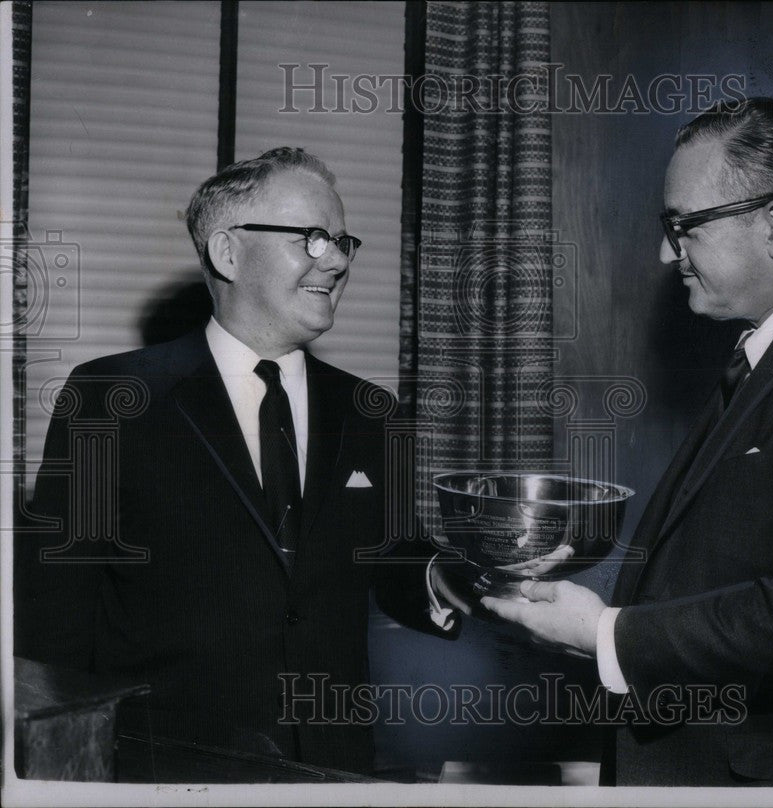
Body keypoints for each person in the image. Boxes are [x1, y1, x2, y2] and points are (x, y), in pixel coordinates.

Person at [481, 99, 773, 786]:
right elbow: (734, 565)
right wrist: (588, 593)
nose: (664, 253)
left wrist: (603, 633)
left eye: (684, 228)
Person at [15, 147, 453, 776]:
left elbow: (391, 556)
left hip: (332, 771)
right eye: (312, 237)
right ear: (227, 253)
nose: (336, 260)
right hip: (164, 772)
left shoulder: (371, 410)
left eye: (342, 241)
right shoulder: (108, 402)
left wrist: (453, 579)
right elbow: (53, 622)